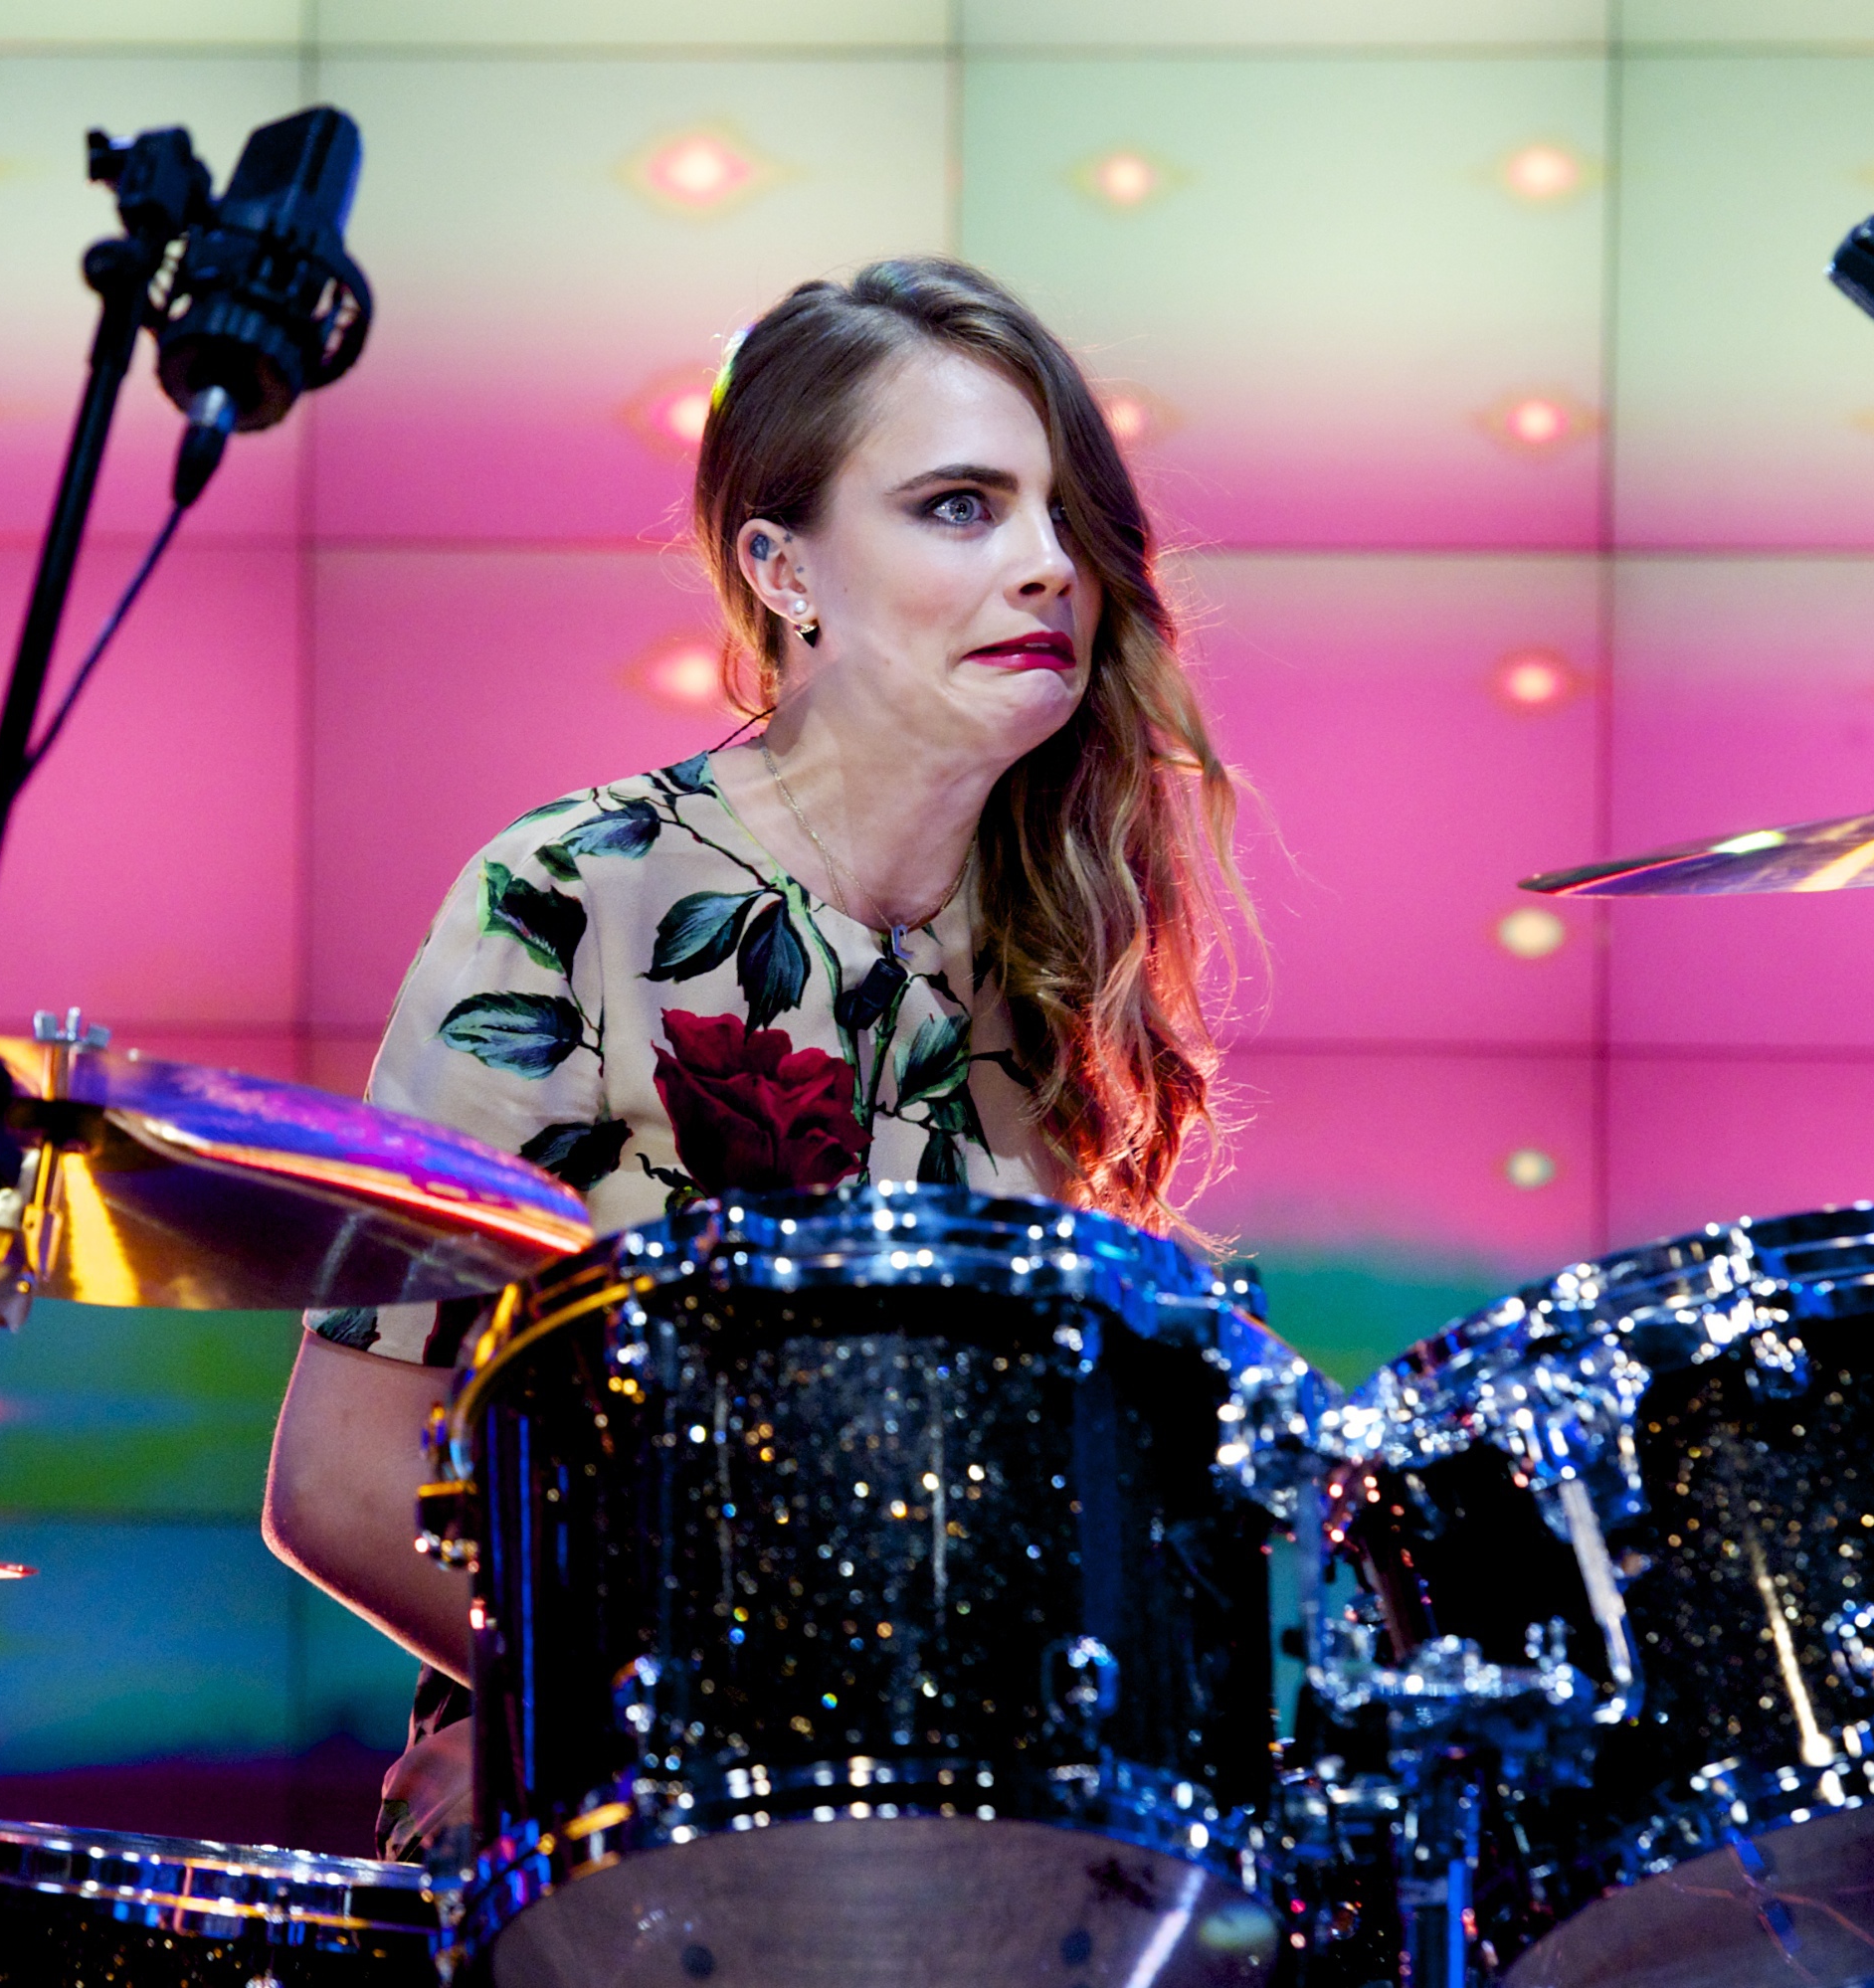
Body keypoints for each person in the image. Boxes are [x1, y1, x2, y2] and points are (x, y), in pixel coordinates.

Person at [263, 255, 1246, 1859]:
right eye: (959, 508)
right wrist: (625, 1731)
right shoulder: (577, 890)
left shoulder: (1056, 951)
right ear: (782, 571)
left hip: (944, 1849)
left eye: (1065, 516)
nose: (1046, 567)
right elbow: (339, 1486)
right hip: (623, 1838)